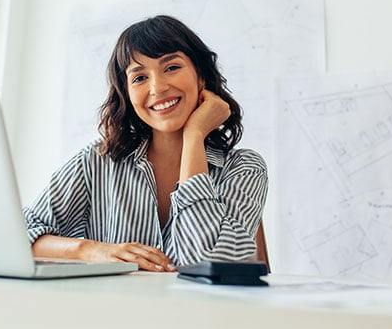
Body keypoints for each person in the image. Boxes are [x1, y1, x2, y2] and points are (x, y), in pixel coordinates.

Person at [23, 15, 268, 272]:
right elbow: (20, 236)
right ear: (127, 94)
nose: (157, 88)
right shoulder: (96, 161)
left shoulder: (245, 168)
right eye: (139, 78)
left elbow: (207, 264)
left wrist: (194, 136)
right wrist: (92, 250)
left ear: (201, 78)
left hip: (199, 313)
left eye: (171, 67)